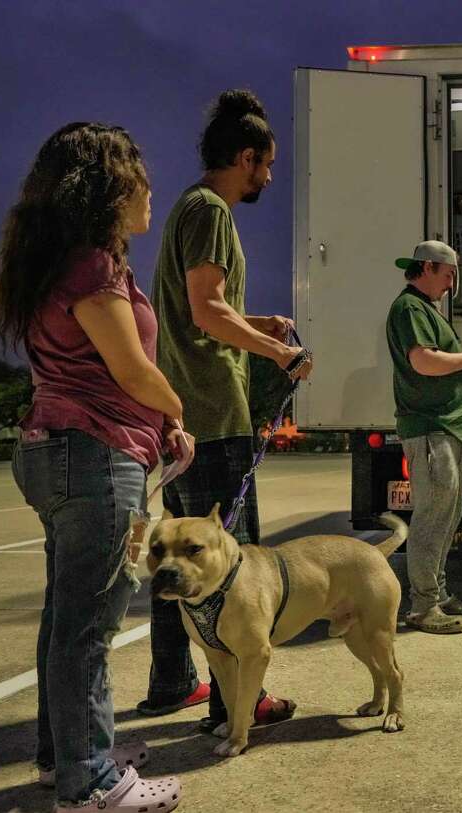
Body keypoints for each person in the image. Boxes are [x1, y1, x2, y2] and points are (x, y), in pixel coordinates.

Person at [0, 122, 190, 812]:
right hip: (97, 453)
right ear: (108, 189)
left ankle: (67, 754)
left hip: (62, 448)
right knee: (89, 626)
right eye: (138, 176)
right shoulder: (92, 268)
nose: (150, 191)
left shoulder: (63, 262)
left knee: (66, 615)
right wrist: (176, 411)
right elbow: (132, 370)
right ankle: (91, 782)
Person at [139, 89, 310, 733]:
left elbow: (199, 307)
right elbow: (207, 310)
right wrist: (277, 353)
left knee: (174, 557)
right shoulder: (211, 210)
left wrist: (257, 321)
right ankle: (234, 700)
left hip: (184, 411)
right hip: (213, 409)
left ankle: (170, 681)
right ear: (246, 156)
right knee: (227, 564)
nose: (268, 176)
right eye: (266, 164)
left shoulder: (188, 206)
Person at [386, 241, 462, 634]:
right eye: (448, 275)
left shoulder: (422, 308)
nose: (451, 284)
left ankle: (438, 595)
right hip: (432, 427)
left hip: (445, 427)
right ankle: (423, 607)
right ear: (427, 268)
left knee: (445, 518)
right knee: (432, 519)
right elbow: (423, 360)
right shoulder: (410, 308)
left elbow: (434, 356)